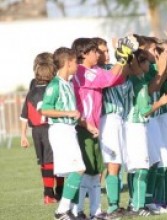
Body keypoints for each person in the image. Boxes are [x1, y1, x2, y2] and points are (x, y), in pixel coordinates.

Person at [71, 36, 137, 219]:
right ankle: (74, 210)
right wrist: (122, 58)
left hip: (93, 125)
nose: (100, 54)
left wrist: (125, 59)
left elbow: (116, 78)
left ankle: (94, 210)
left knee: (94, 171)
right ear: (84, 54)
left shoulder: (93, 71)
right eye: (97, 51)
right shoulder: (84, 71)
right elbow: (109, 79)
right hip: (84, 126)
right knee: (84, 170)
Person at [124, 49, 167, 216]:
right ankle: (137, 206)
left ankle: (146, 202)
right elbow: (144, 111)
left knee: (152, 163)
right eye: (146, 61)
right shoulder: (137, 83)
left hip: (143, 126)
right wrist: (160, 102)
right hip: (135, 126)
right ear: (138, 64)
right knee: (140, 168)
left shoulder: (141, 80)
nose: (150, 63)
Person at [40, 47, 84, 220]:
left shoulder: (69, 83)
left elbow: (69, 110)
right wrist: (68, 114)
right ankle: (61, 211)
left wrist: (84, 123)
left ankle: (71, 212)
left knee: (76, 170)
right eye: (75, 62)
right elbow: (45, 110)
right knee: (78, 169)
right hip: (60, 131)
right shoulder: (55, 84)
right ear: (67, 63)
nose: (78, 65)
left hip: (69, 130)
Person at [20, 52, 64, 204]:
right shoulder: (54, 88)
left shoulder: (31, 91)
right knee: (57, 160)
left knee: (45, 162)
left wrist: (23, 135)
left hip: (36, 131)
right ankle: (59, 192)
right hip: (50, 127)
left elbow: (24, 115)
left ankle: (48, 193)